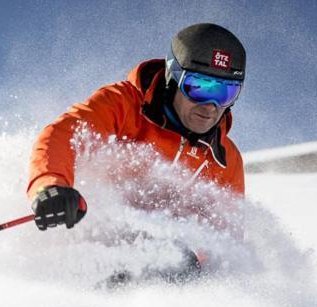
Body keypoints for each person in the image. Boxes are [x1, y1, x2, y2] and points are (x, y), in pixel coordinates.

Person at [27, 22, 247, 234]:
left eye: (226, 93)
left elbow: (227, 237)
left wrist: (196, 259)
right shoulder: (123, 106)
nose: (211, 106)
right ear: (173, 77)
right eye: (199, 88)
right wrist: (50, 186)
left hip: (164, 256)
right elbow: (65, 135)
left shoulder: (227, 160)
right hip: (91, 229)